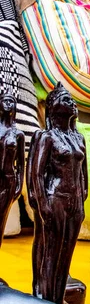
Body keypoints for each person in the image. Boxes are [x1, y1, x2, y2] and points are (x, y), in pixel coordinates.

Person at [27, 82, 88, 304]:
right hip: (55, 198)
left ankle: (59, 297)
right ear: (53, 106)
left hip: (75, 202)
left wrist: (82, 198)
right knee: (49, 250)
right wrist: (42, 204)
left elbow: (84, 174)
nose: (72, 103)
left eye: (72, 100)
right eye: (65, 99)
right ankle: (44, 298)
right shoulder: (45, 137)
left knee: (66, 252)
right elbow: (35, 174)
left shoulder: (78, 138)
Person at [0, 94, 24, 248]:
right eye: (4, 101)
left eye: (11, 101)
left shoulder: (18, 134)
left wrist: (18, 186)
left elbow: (21, 165)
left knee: (1, 221)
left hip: (8, 181)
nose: (8, 104)